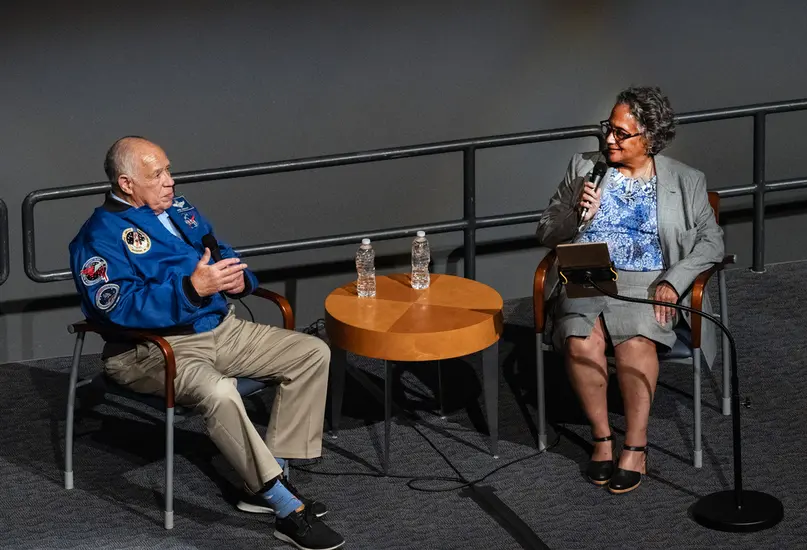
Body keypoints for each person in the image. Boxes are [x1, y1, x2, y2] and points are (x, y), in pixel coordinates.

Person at [69, 136, 345, 550]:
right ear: (127, 184)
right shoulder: (98, 236)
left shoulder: (179, 210)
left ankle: (268, 475)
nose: (170, 181)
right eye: (157, 174)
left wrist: (238, 279)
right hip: (150, 350)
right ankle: (284, 506)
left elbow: (218, 249)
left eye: (168, 169)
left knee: (310, 353)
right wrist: (191, 289)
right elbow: (115, 308)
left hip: (220, 329)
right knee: (220, 392)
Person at [536, 87, 724, 494]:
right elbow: (546, 231)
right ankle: (602, 439)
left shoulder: (686, 180)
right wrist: (575, 212)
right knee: (581, 340)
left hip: (652, 274)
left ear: (650, 138)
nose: (609, 140)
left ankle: (635, 447)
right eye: (609, 128)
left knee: (635, 342)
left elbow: (712, 242)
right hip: (587, 263)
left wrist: (674, 281)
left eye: (621, 133)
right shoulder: (583, 167)